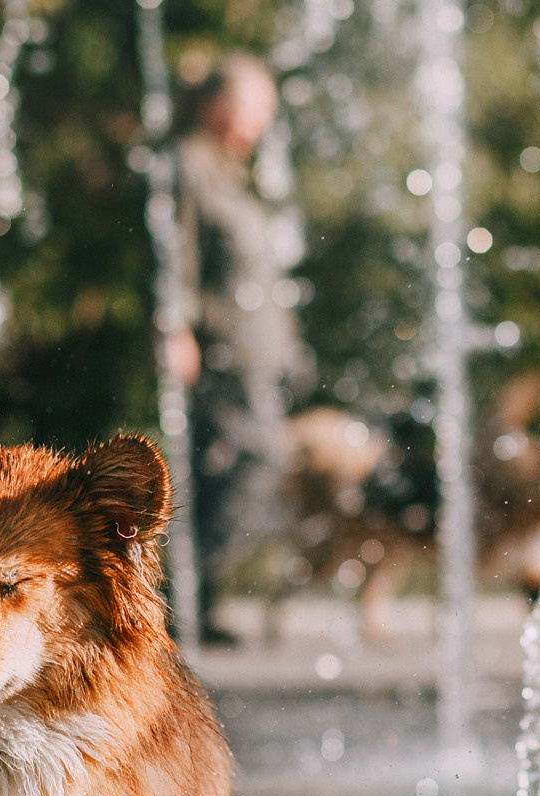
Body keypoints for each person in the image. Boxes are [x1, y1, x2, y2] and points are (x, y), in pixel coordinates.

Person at [166, 53, 308, 646]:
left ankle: (189, 604)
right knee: (260, 458)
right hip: (221, 350)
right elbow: (173, 252)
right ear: (215, 104)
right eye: (254, 109)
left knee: (212, 472)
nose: (261, 124)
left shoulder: (236, 171)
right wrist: (174, 327)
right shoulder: (187, 165)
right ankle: (173, 595)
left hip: (256, 353)